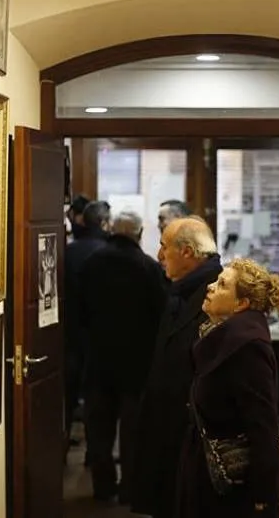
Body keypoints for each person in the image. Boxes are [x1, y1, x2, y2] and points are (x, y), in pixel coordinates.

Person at [176, 258, 279, 518]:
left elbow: (263, 425)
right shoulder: (220, 335)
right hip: (209, 473)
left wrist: (264, 498)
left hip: (233, 487)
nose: (211, 287)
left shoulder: (246, 347)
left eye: (222, 285)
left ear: (242, 304)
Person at [130, 217, 223, 518]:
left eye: (164, 247)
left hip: (194, 434)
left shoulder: (218, 296)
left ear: (187, 252)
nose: (158, 256)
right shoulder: (180, 291)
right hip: (170, 426)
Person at [77, 211, 168, 502]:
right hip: (138, 364)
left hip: (99, 361)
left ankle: (103, 487)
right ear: (139, 234)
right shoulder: (149, 268)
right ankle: (131, 488)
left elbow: (78, 313)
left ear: (111, 230)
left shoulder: (92, 264)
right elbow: (161, 317)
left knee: (99, 430)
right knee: (134, 432)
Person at [63, 201, 110, 443]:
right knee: (97, 397)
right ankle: (95, 449)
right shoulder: (108, 252)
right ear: (104, 223)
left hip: (70, 330)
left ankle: (63, 439)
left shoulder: (69, 251)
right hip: (100, 334)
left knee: (68, 392)